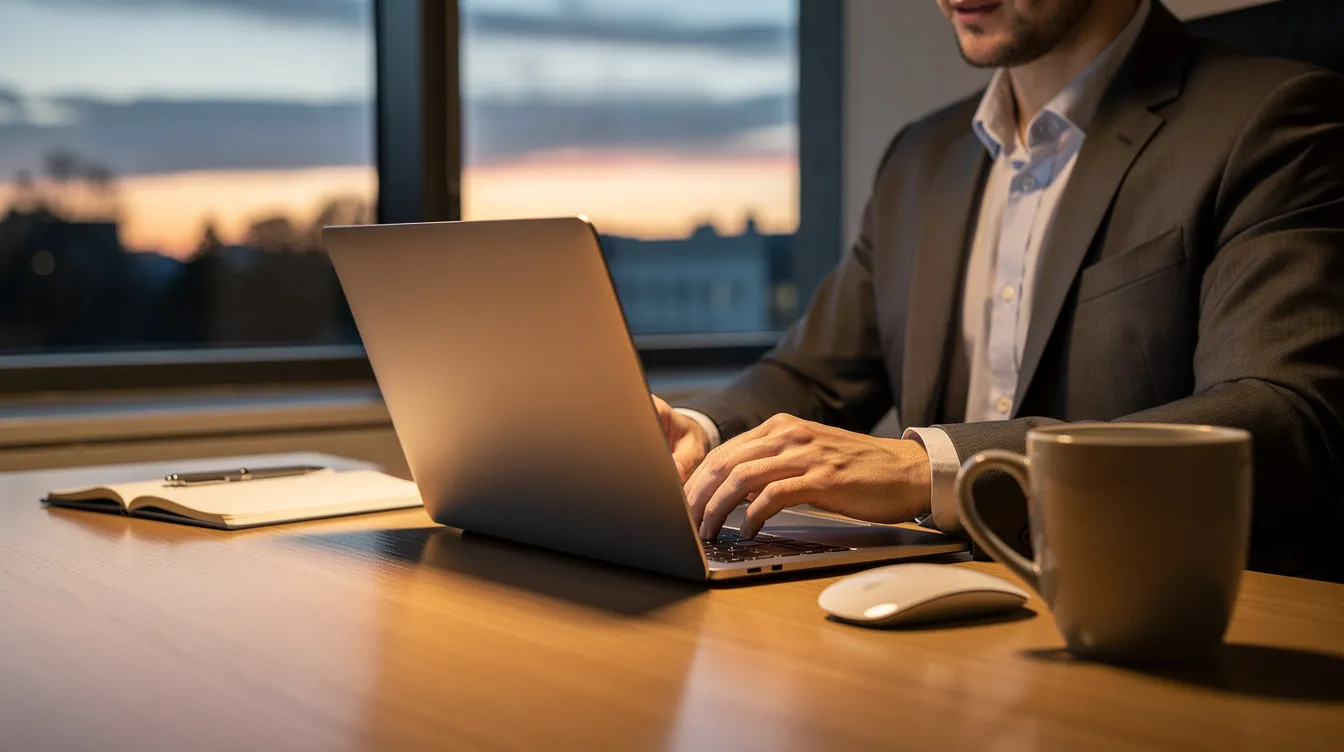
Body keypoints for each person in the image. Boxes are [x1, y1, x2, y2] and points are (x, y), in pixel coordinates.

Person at [653, 0, 1344, 581]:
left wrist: (937, 466)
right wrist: (698, 431)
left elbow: (1288, 414)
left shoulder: (1270, 119)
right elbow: (813, 371)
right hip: (941, 616)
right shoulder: (920, 158)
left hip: (1143, 610)